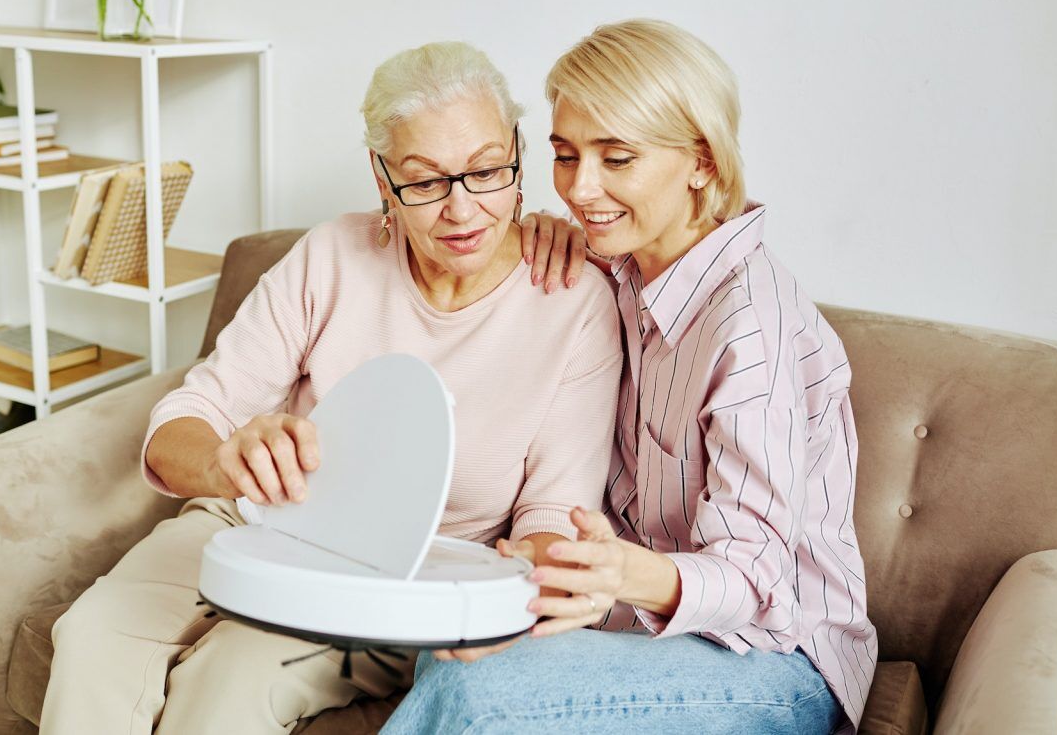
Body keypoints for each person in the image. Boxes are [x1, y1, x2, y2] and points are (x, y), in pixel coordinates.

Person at [38, 41, 623, 734]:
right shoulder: (330, 255)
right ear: (382, 179)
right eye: (426, 181)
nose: (463, 210)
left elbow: (555, 512)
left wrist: (516, 588)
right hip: (255, 525)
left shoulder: (574, 301)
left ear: (517, 158)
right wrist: (226, 463)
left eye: (486, 171)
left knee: (230, 681)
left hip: (404, 575)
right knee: (92, 634)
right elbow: (186, 422)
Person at [386, 19, 878, 734]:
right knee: (457, 649)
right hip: (648, 630)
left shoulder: (751, 326)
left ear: (702, 162)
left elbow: (758, 578)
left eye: (617, 158)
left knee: (473, 696)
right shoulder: (617, 266)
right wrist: (541, 231)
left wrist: (620, 573)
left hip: (779, 662)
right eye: (565, 155)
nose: (581, 189)